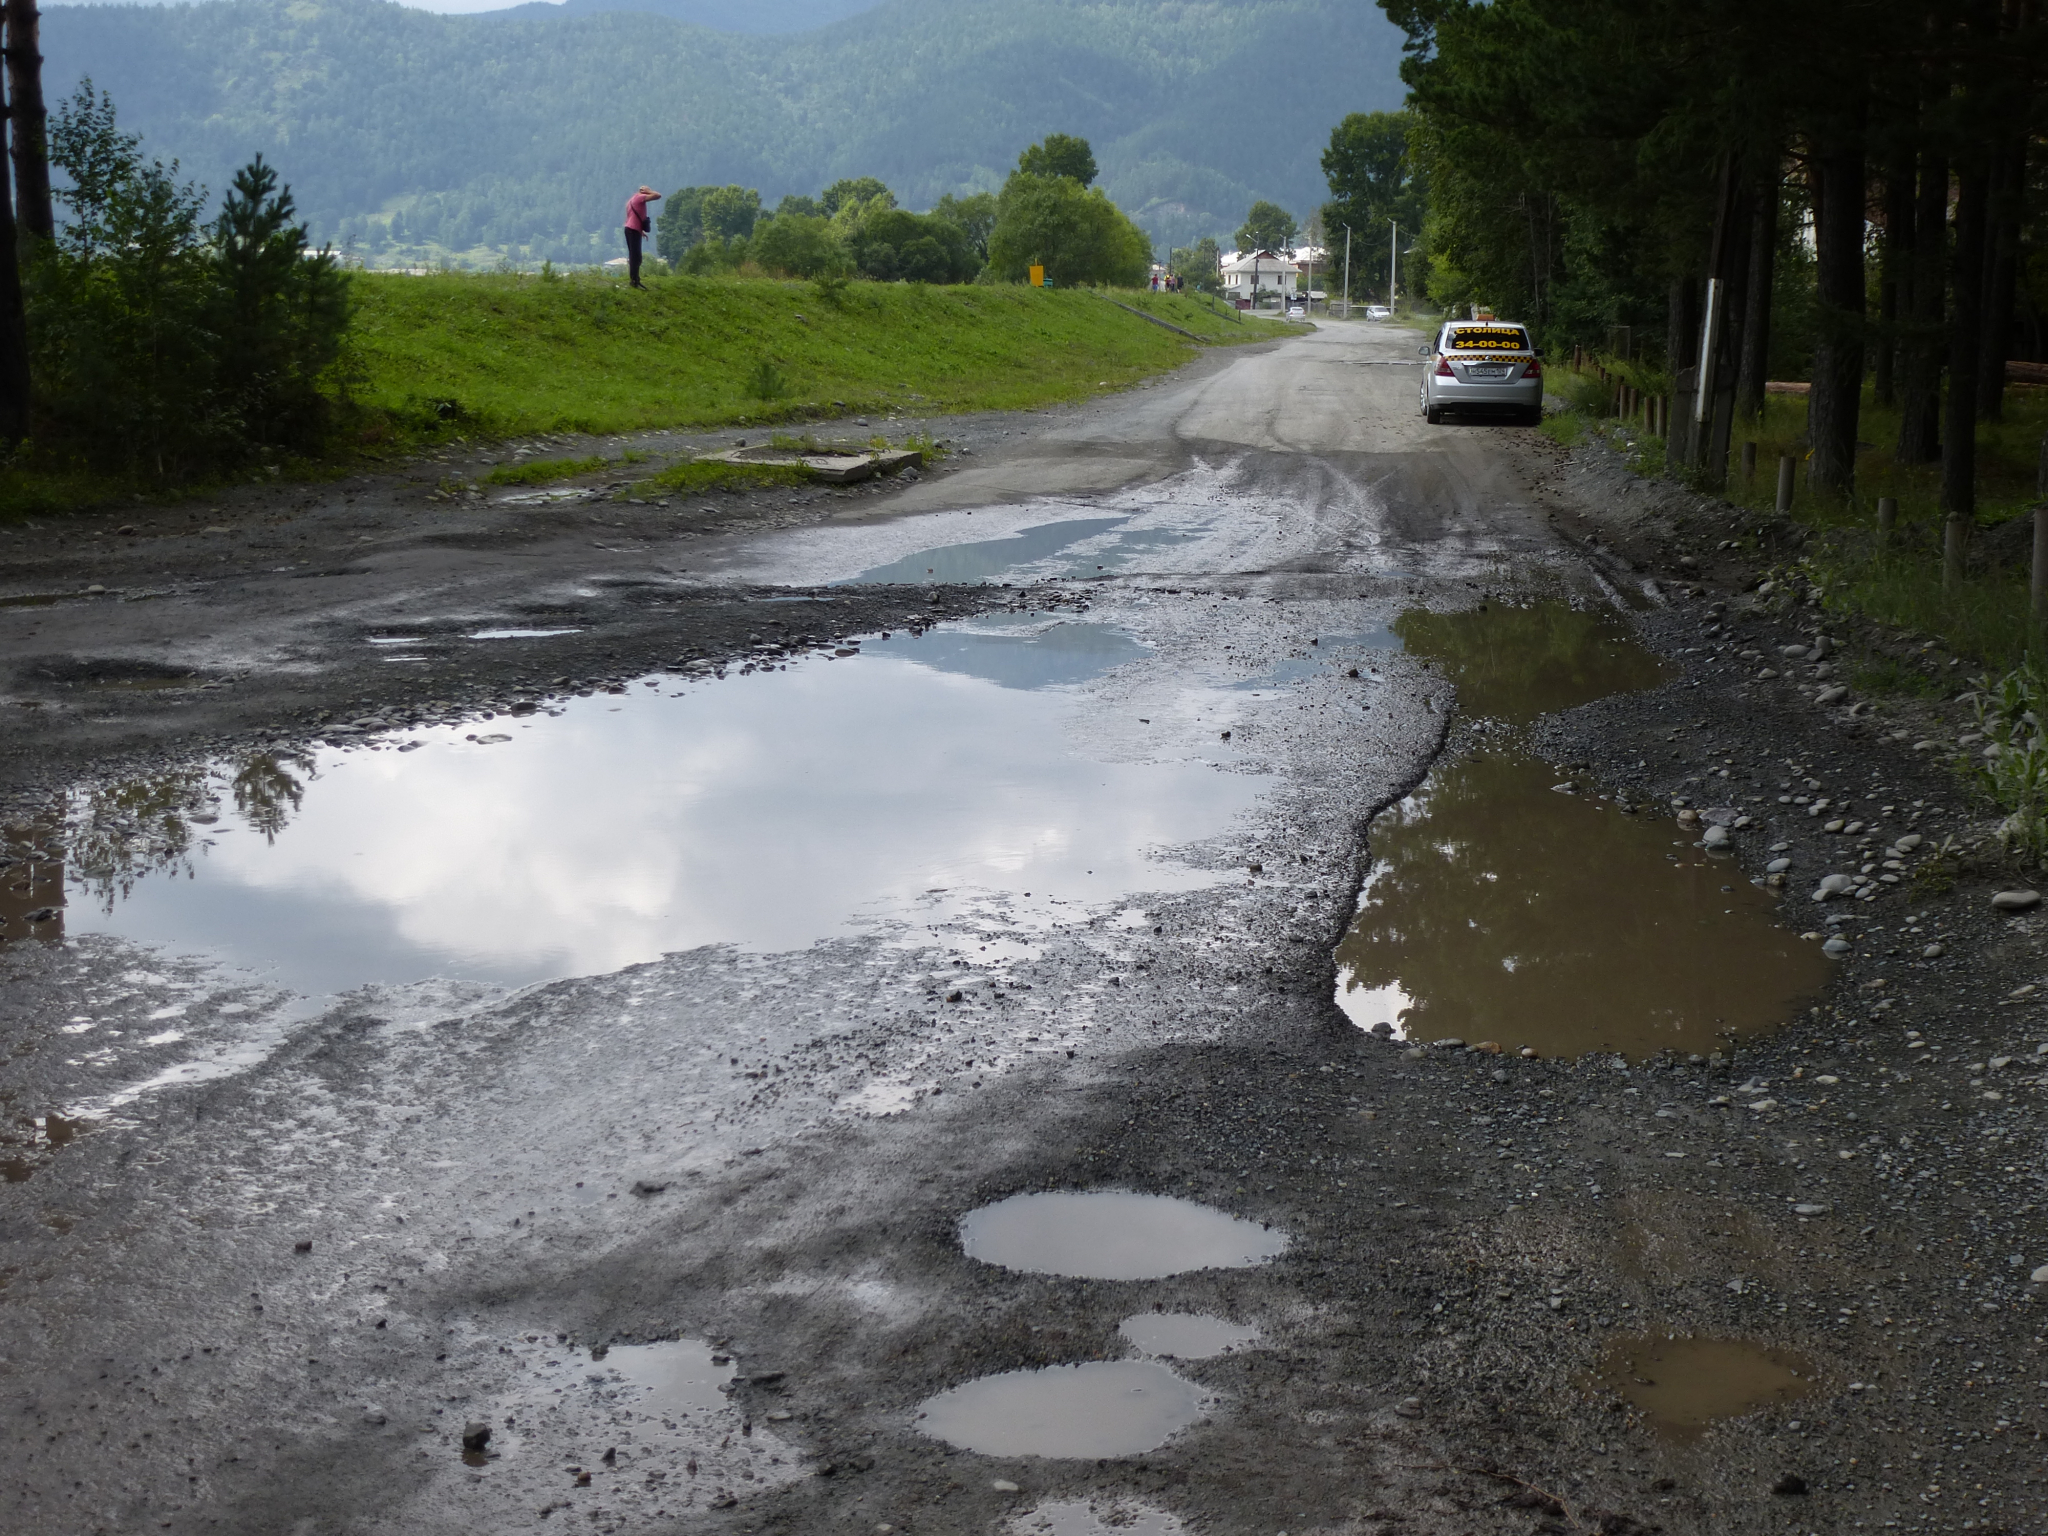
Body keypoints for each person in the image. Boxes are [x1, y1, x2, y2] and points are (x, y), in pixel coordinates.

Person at [622, 185, 661, 289]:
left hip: (630, 229)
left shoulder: (631, 200)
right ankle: (634, 281)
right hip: (633, 230)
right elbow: (657, 195)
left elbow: (631, 217)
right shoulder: (640, 198)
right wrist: (649, 191)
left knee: (634, 256)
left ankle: (635, 279)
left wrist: (641, 231)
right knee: (636, 257)